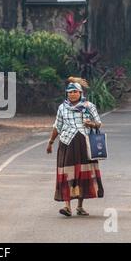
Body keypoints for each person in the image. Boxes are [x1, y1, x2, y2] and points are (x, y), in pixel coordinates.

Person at [46, 77, 104, 217]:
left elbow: (99, 123)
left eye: (75, 92)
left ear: (80, 93)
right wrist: (51, 142)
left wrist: (91, 124)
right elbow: (57, 126)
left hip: (84, 143)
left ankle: (80, 206)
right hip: (66, 143)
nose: (72, 94)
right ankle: (67, 206)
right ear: (66, 94)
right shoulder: (62, 107)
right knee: (68, 173)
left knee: (82, 173)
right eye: (69, 92)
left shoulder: (88, 106)